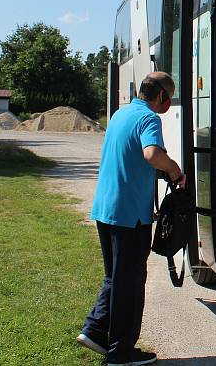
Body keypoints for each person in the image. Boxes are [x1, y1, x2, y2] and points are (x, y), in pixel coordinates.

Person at [77, 72, 186, 366]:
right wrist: (175, 170)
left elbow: (131, 156)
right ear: (162, 96)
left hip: (106, 209)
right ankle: (120, 352)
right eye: (170, 98)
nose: (168, 104)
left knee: (116, 276)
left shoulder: (120, 114)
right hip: (130, 215)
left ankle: (96, 330)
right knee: (131, 281)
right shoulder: (150, 119)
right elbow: (151, 154)